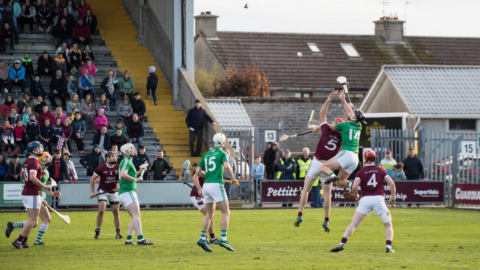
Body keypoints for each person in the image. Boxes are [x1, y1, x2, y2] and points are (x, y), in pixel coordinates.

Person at [330, 149, 396, 253]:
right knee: (388, 225)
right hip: (379, 199)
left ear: (365, 159)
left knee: (353, 224)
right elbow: (392, 184)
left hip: (365, 200)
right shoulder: (381, 170)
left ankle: (342, 244)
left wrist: (356, 195)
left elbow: (355, 186)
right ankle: (388, 247)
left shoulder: (361, 172)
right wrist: (393, 197)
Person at [193, 133, 238, 252]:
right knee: (226, 212)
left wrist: (207, 175)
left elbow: (198, 172)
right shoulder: (223, 153)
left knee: (209, 214)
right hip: (216, 185)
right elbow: (227, 167)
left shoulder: (206, 154)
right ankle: (223, 238)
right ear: (223, 143)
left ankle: (202, 238)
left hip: (206, 185)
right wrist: (233, 178)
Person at [6, 152, 60, 247]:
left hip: (36, 195)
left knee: (34, 222)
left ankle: (20, 234)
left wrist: (52, 194)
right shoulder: (38, 167)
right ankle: (26, 240)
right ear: (42, 159)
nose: (50, 159)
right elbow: (28, 177)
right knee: (42, 219)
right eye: (48, 157)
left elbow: (41, 187)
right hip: (33, 195)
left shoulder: (46, 171)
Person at [320, 90, 366, 192]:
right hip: (355, 158)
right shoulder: (359, 125)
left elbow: (328, 127)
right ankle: (356, 187)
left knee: (323, 168)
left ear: (354, 117)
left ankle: (332, 176)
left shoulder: (343, 125)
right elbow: (350, 114)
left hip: (347, 153)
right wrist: (343, 100)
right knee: (340, 182)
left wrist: (318, 127)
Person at [118, 143, 153, 245]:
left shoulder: (128, 161)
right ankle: (140, 239)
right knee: (137, 215)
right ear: (127, 151)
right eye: (132, 149)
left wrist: (139, 172)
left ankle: (129, 239)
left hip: (126, 192)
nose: (135, 150)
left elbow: (129, 174)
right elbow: (123, 174)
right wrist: (135, 179)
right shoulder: (126, 160)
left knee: (135, 216)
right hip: (128, 191)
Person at [89, 151, 122, 239]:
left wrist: (120, 187)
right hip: (103, 191)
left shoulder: (118, 167)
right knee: (101, 210)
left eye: (115, 156)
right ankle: (98, 231)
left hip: (113, 192)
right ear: (107, 158)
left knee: (116, 211)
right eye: (112, 156)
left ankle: (118, 233)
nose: (114, 158)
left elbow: (124, 179)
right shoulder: (101, 168)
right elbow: (92, 179)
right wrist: (92, 192)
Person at [188, 162, 219, 244]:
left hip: (206, 196)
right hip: (197, 196)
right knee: (208, 215)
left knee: (211, 216)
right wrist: (199, 189)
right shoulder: (200, 171)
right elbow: (195, 177)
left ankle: (212, 238)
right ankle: (204, 238)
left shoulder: (211, 171)